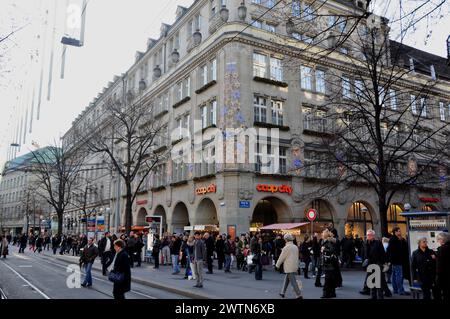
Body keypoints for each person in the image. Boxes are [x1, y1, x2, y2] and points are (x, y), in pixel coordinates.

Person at [360, 229, 391, 299]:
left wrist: (384, 263)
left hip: (377, 264)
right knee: (371, 281)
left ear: (373, 236)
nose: (369, 236)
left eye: (370, 235)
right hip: (369, 265)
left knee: (379, 282)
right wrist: (364, 262)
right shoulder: (365, 243)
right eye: (368, 235)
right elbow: (363, 253)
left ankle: (380, 296)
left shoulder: (378, 243)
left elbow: (382, 253)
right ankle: (373, 296)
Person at [276, 234, 303, 299]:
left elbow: (281, 257)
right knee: (287, 279)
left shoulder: (286, 248)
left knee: (293, 281)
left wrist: (277, 265)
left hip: (289, 266)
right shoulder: (295, 247)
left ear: (286, 239)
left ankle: (298, 294)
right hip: (294, 265)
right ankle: (282, 292)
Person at [387, 227, 410, 295]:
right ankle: (400, 290)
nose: (400, 233)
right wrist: (401, 241)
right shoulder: (394, 240)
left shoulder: (394, 239)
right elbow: (398, 250)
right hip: (398, 260)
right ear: (395, 232)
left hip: (395, 260)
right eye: (399, 231)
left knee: (394, 276)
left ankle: (396, 289)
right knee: (399, 276)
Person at [321, 229, 338, 298]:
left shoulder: (328, 242)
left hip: (329, 263)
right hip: (329, 262)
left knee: (327, 279)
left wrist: (324, 249)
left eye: (322, 233)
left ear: (325, 235)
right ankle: (332, 293)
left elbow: (332, 250)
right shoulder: (327, 241)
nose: (321, 234)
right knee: (330, 279)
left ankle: (326, 294)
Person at [436, 232, 450, 301]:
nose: (438, 241)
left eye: (438, 239)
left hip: (443, 275)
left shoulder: (442, 249)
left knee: (439, 290)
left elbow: (440, 264)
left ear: (443, 239)